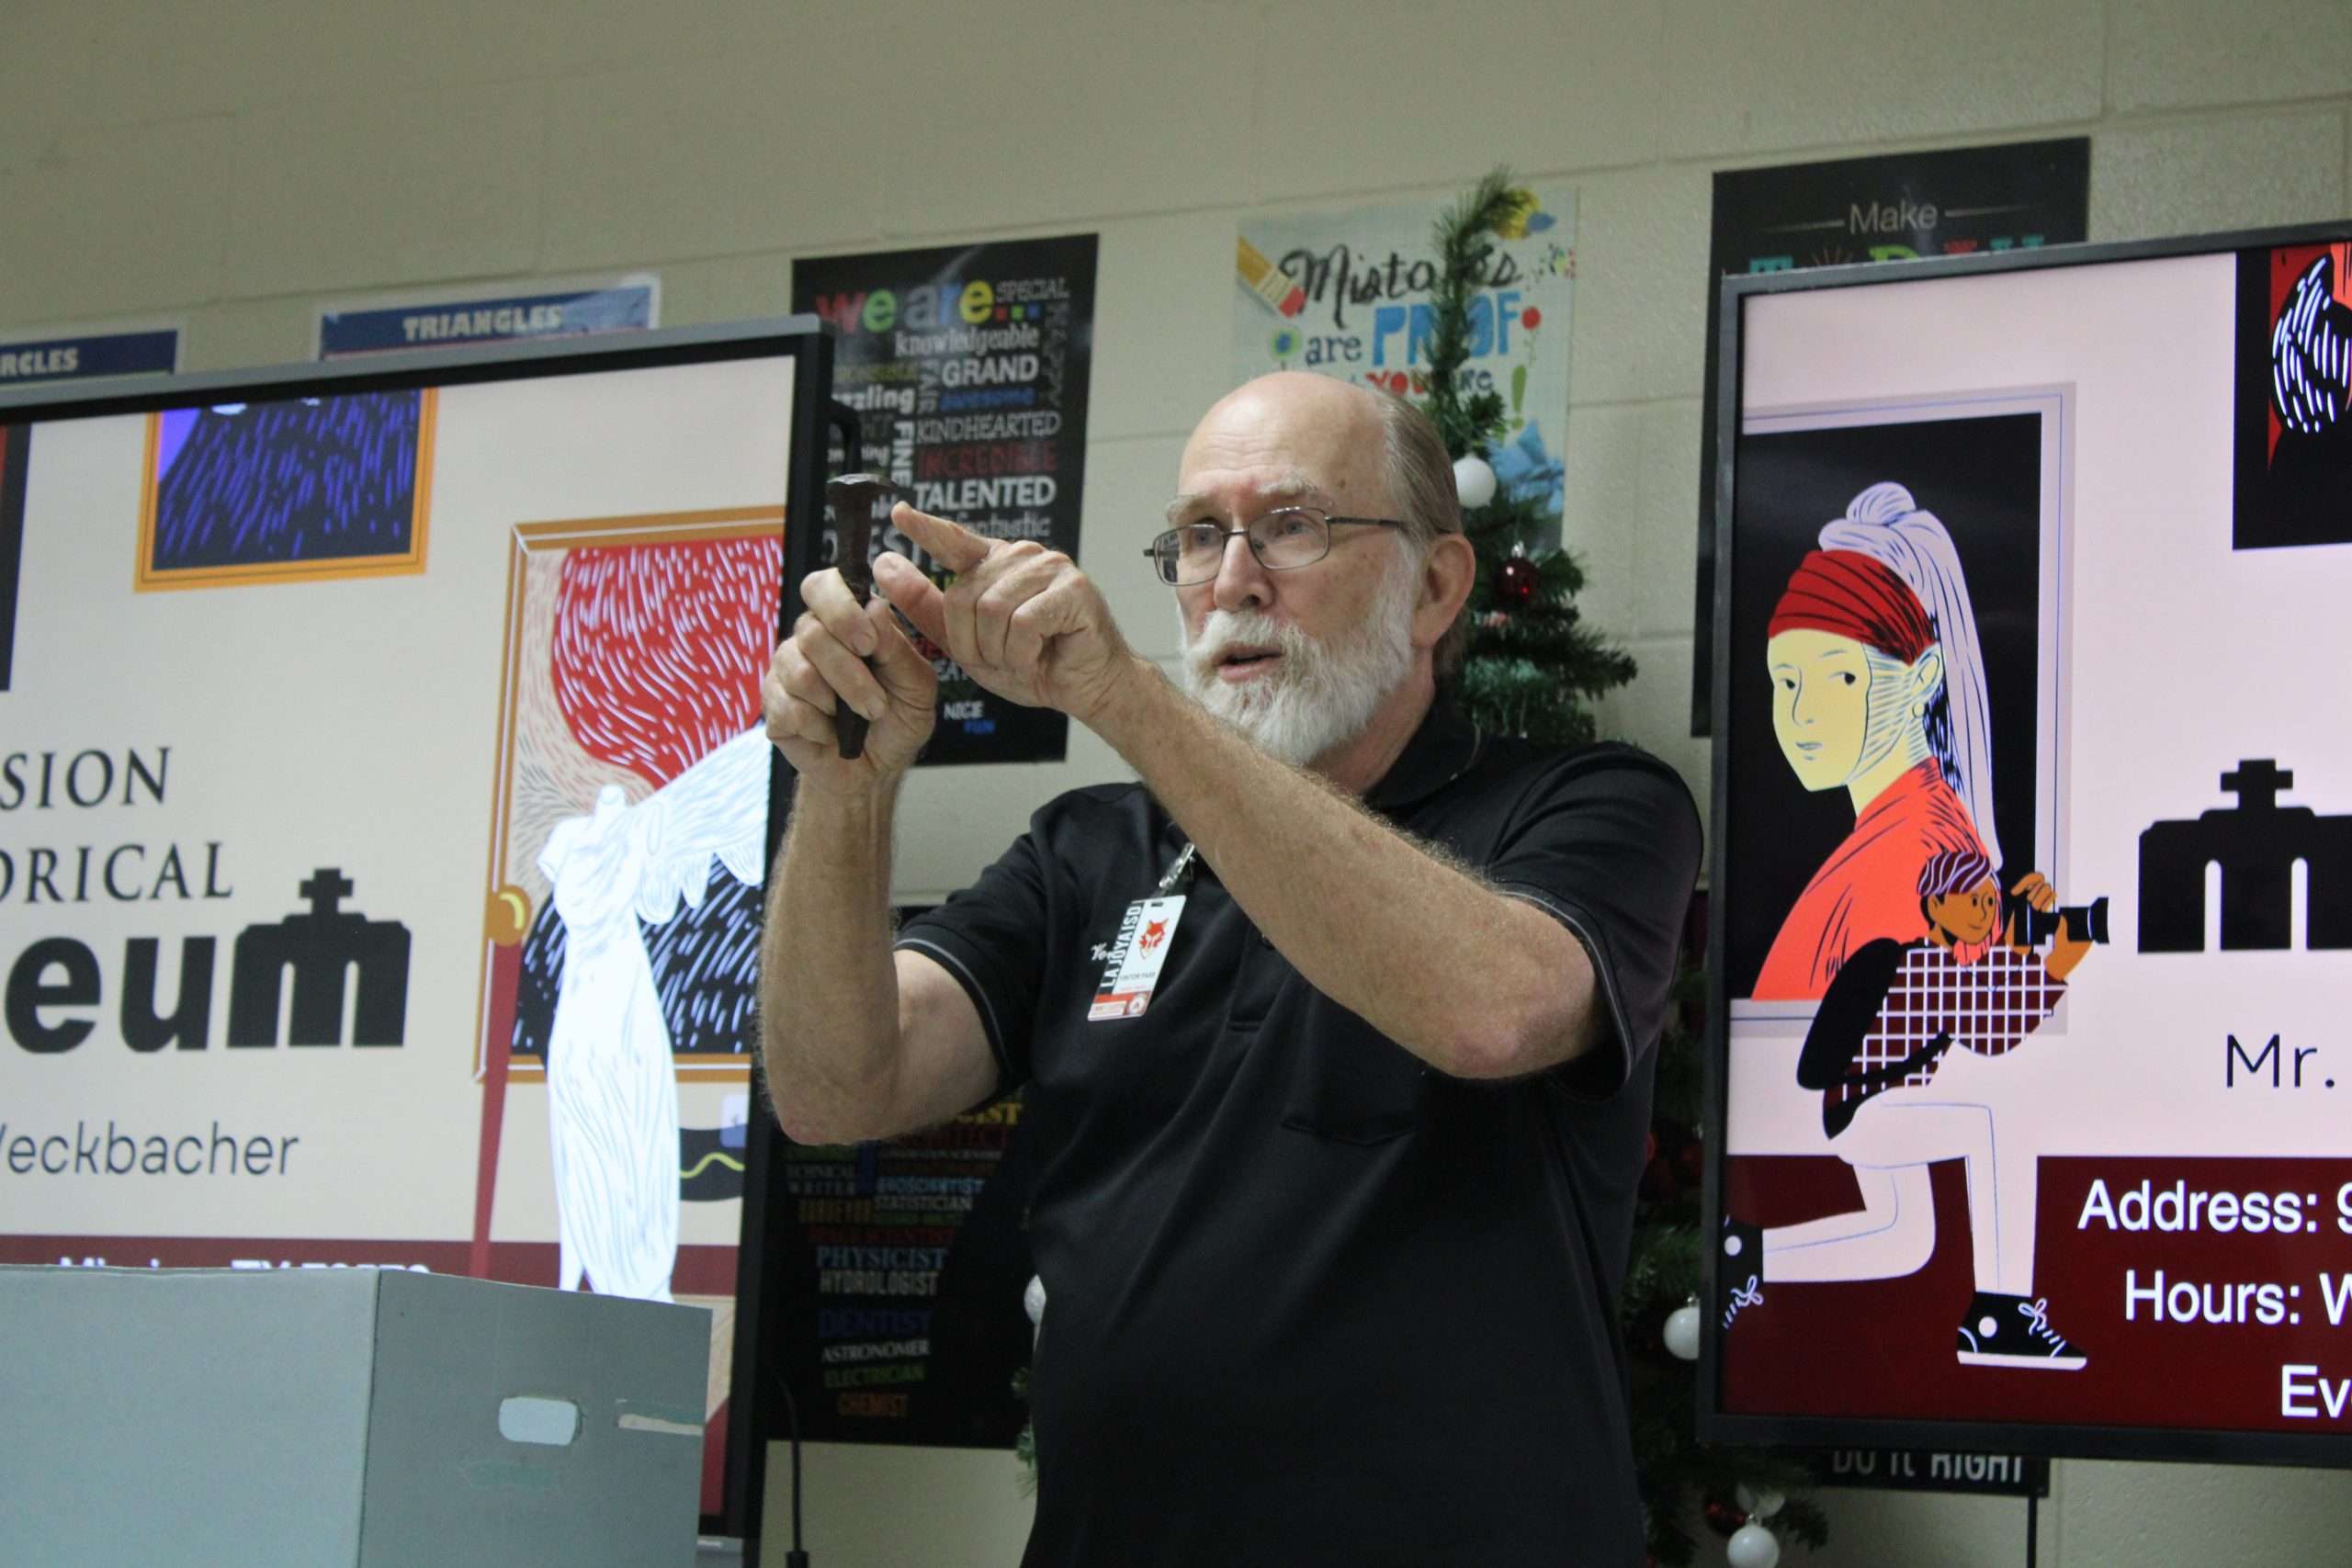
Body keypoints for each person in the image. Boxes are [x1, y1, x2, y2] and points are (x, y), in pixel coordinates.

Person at [759, 372, 1699, 1567]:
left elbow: (1493, 1014)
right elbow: (837, 1087)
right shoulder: (1089, 850)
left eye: (1292, 525)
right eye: (1202, 535)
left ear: (1436, 585)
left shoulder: (1590, 806)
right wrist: (845, 787)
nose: (1234, 579)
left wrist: (1121, 694)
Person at [1726, 848, 2095, 1368]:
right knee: (1995, 1124)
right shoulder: (1922, 962)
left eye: (1990, 902)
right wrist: (2055, 966)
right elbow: (1992, 1028)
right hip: (1872, 1113)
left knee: (1903, 1239)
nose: (1983, 911)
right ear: (1935, 905)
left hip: (1873, 1112)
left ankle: (1746, 1253)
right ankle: (1999, 1313)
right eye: (1970, 899)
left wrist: (2018, 946)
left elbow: (1980, 1001)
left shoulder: (1936, 966)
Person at [1749, 482, 1998, 1001]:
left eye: (1841, 678)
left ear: (1922, 677)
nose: (1802, 714)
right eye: (1786, 681)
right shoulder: (1914, 842)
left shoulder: (1912, 867)